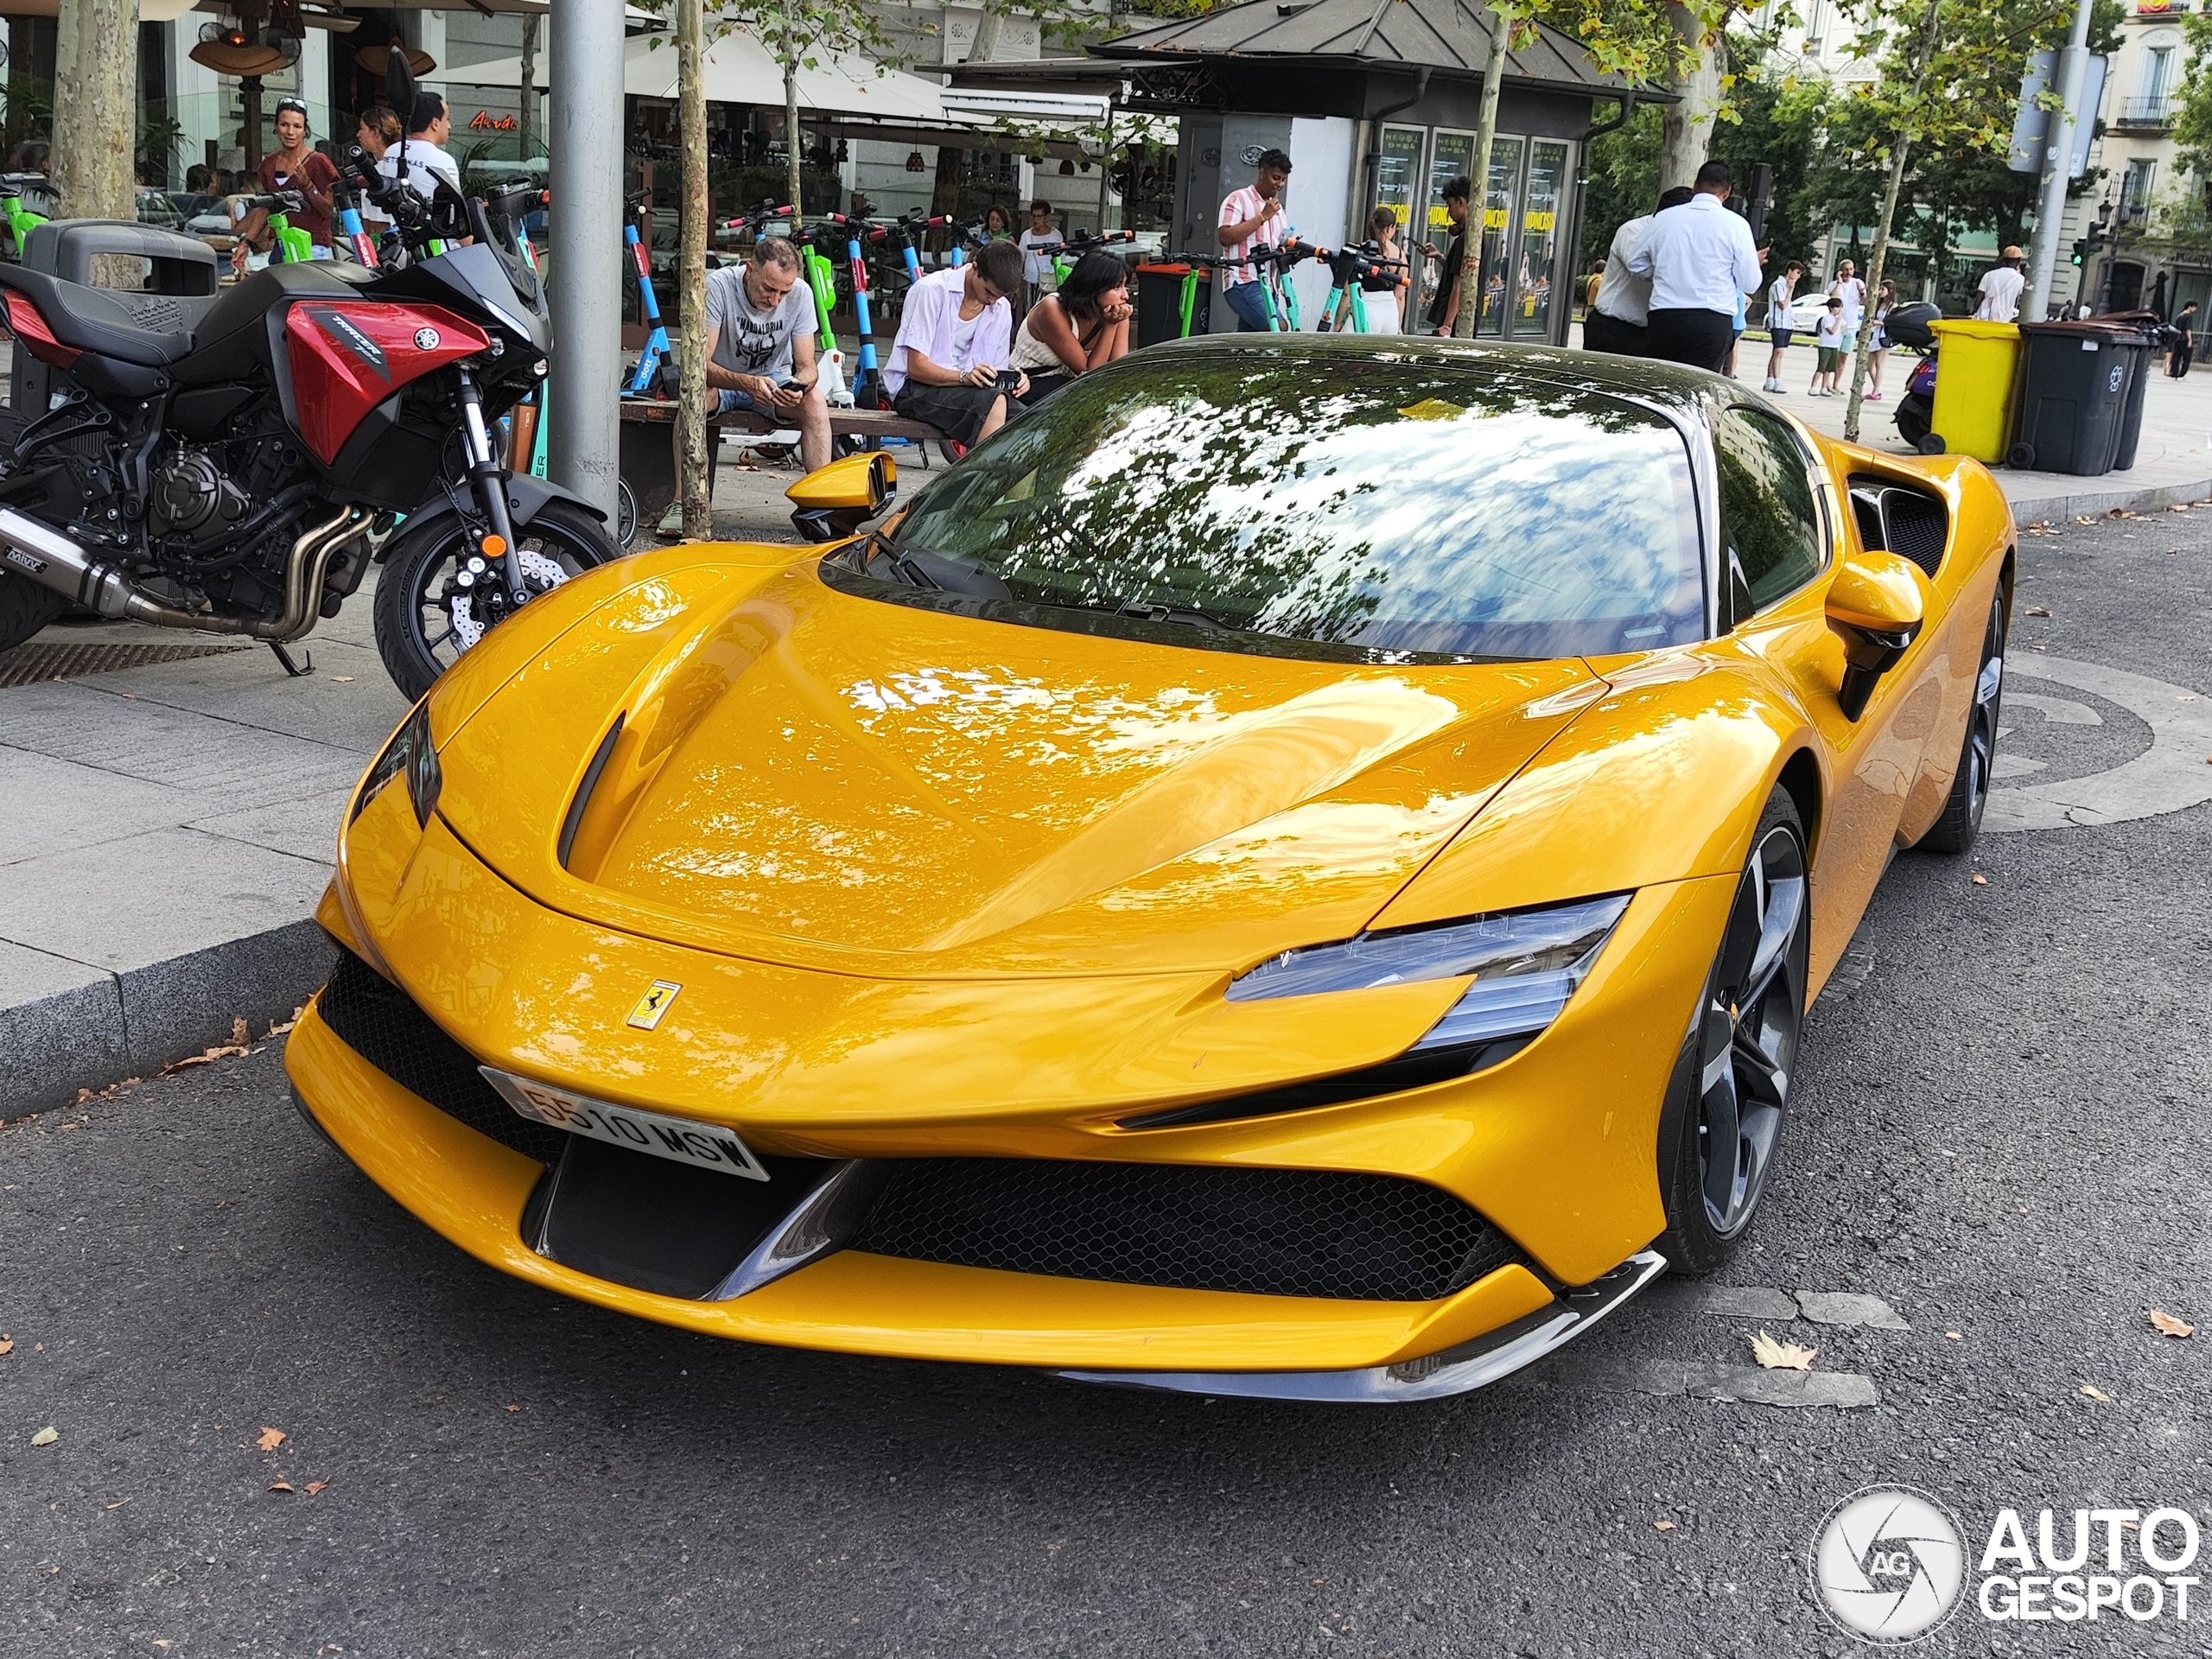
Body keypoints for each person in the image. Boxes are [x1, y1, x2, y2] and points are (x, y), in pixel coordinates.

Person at [702, 237, 831, 472]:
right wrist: (747, 383)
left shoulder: (801, 294)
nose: (775, 300)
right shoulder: (718, 286)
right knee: (694, 399)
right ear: (750, 270)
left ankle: (822, 501)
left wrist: (799, 386)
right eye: (769, 288)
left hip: (775, 384)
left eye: (784, 292)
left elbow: (808, 366)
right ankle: (682, 500)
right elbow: (701, 366)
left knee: (815, 402)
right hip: (721, 382)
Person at [885, 238, 1028, 448]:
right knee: (994, 403)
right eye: (989, 292)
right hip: (913, 388)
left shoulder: (1001, 309)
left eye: (999, 296)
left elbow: (993, 376)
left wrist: (1014, 381)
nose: (992, 301)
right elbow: (915, 367)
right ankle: (981, 479)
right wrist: (964, 377)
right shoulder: (931, 291)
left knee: (1032, 420)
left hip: (971, 392)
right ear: (974, 267)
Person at [1628, 160, 1764, 372]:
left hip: (1666, 316)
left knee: (1662, 383)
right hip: (1712, 320)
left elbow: (1635, 262)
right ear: (1726, 192)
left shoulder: (1665, 218)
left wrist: (1659, 272)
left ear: (1695, 185)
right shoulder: (1737, 225)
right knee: (1701, 388)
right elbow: (1750, 283)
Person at [228, 98, 340, 272]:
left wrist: (308, 186)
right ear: (276, 127)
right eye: (284, 125)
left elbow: (328, 210)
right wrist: (246, 242)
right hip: (280, 245)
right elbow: (266, 208)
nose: (290, 132)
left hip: (313, 247)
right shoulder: (269, 164)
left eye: (297, 126)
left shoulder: (318, 162)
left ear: (305, 130)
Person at [1008, 249, 1132, 402]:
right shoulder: (1052, 309)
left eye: (1125, 287)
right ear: (1094, 286)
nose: (1125, 295)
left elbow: (1118, 370)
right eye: (1116, 287)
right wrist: (1110, 325)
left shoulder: (1116, 314)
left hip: (1073, 386)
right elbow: (1088, 373)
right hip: (1029, 383)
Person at [1584, 186, 1693, 358]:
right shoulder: (1633, 230)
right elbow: (1642, 270)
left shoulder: (1683, 239)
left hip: (1650, 332)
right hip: (1614, 328)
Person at [1218, 148, 1293, 332]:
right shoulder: (1238, 199)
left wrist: (1292, 253)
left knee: (1250, 345)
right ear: (1262, 173)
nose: (1279, 184)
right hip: (1243, 281)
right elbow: (1225, 236)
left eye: (1283, 180)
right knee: (1278, 328)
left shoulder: (1278, 209)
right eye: (1276, 178)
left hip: (1270, 285)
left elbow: (1278, 245)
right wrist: (1262, 217)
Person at [378, 91, 461, 204]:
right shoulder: (444, 161)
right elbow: (454, 208)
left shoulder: (391, 151)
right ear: (435, 123)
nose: (449, 126)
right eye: (447, 119)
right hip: (429, 221)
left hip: (396, 221)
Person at [1338, 206, 1404, 333]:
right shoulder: (1400, 255)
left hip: (1365, 310)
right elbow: (1400, 296)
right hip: (1391, 314)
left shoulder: (1360, 251)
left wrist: (1338, 322)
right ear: (1390, 228)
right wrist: (1398, 326)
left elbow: (1347, 294)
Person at [1425, 176, 1471, 336]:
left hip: (1455, 322)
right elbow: (1456, 270)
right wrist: (1439, 257)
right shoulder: (1468, 238)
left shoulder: (1466, 241)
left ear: (1461, 202)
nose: (1449, 211)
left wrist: (1447, 325)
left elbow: (1459, 283)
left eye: (1450, 205)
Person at [1763, 258, 1804, 391]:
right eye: (1797, 272)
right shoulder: (1778, 285)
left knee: (1778, 352)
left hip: (1787, 323)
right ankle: (1777, 380)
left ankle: (1770, 379)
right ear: (1790, 271)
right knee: (1778, 351)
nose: (1798, 276)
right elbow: (1782, 304)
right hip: (1778, 322)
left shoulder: (1786, 286)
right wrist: (1790, 290)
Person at [1018, 199, 1063, 303]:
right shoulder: (1026, 235)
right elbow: (1020, 259)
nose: (1036, 220)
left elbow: (1061, 260)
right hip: (1029, 281)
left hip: (1049, 283)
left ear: (1047, 217)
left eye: (1039, 216)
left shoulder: (1056, 236)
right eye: (1033, 216)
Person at [1829, 257, 1866, 364]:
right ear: (1840, 271)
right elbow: (1834, 298)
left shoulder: (1858, 283)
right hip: (1837, 325)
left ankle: (1837, 381)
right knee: (1834, 356)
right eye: (1845, 270)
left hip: (1851, 326)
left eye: (1851, 269)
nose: (1848, 272)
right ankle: (1829, 379)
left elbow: (1865, 302)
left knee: (1843, 358)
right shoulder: (1834, 285)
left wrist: (1862, 292)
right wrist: (1839, 282)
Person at [1974, 246, 2025, 323]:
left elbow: (1978, 300)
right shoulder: (2020, 279)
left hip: (1984, 319)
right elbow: (2021, 301)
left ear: (2003, 260)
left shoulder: (1989, 275)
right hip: (2006, 321)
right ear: (2018, 261)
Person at [1865, 281, 1896, 399]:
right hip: (1875, 335)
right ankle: (1877, 388)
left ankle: (1876, 390)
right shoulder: (1879, 303)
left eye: (1883, 289)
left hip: (1885, 336)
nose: (1880, 292)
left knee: (1879, 364)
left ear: (1890, 291)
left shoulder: (1892, 306)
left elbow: (1891, 322)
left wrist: (1879, 323)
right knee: (1869, 365)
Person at [1809, 296, 1846, 396]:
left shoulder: (1837, 319)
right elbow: (1831, 331)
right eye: (1837, 307)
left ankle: (1824, 387)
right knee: (1822, 367)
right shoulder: (1827, 319)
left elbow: (1844, 326)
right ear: (1831, 308)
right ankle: (1813, 387)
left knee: (1829, 369)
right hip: (1825, 345)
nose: (1839, 310)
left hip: (1834, 346)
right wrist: (1837, 322)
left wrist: (1840, 323)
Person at [2169, 300, 2197, 378]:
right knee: (2187, 358)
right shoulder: (2188, 317)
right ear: (2190, 307)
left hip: (2178, 338)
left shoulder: (2179, 316)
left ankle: (2174, 373)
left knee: (2177, 356)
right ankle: (2182, 374)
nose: (2195, 309)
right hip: (2185, 338)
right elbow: (2188, 329)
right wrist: (2190, 340)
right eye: (2194, 307)